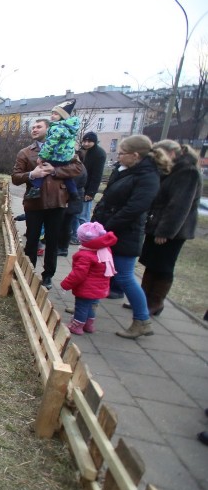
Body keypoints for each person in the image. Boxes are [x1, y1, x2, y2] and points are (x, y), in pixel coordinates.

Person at [91, 135, 168, 339]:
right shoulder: (125, 170)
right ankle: (88, 307)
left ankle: (142, 320)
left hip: (126, 234)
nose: (119, 156)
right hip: (110, 229)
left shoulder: (148, 177)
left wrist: (108, 226)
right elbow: (108, 198)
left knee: (124, 277)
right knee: (99, 270)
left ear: (135, 155)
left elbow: (134, 208)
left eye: (122, 153)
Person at [130, 141, 202, 316]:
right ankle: (143, 299)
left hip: (173, 230)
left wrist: (165, 231)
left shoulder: (187, 172)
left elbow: (179, 205)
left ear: (170, 153)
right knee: (151, 263)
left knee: (163, 265)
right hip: (157, 224)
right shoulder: (170, 168)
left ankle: (156, 302)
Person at [12, 118, 84, 289]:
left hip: (57, 203)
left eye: (39, 126)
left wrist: (55, 170)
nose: (34, 129)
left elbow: (78, 169)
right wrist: (32, 175)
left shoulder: (65, 147)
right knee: (32, 240)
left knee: (52, 242)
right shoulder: (26, 152)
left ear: (49, 129)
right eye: (33, 127)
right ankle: (28, 273)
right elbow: (15, 177)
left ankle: (48, 276)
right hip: (34, 203)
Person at [60, 222, 117, 335]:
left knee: (81, 306)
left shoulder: (85, 255)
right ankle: (88, 325)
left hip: (87, 288)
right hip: (100, 286)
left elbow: (78, 274)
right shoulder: (105, 249)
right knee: (91, 306)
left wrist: (66, 284)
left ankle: (76, 326)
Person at [24, 99, 81, 200]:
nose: (52, 116)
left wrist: (42, 157)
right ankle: (74, 193)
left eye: (55, 114)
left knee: (43, 167)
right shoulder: (70, 128)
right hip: (66, 156)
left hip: (57, 156)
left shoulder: (57, 128)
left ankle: (36, 189)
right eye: (52, 113)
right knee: (68, 178)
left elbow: (50, 143)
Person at [79, 131, 107, 230]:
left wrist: (91, 192)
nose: (86, 144)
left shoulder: (99, 154)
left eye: (89, 141)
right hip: (78, 186)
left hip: (88, 187)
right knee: (75, 214)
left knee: (84, 214)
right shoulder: (80, 151)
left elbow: (97, 175)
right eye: (85, 141)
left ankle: (85, 234)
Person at [57, 164, 87, 256]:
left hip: (71, 201)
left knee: (65, 225)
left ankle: (63, 248)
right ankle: (61, 246)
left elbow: (71, 183)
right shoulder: (78, 166)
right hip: (72, 200)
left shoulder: (77, 168)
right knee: (64, 224)